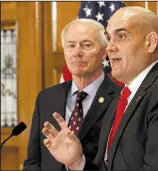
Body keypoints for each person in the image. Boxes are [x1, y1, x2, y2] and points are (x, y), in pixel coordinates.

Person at [42, 6, 158, 170]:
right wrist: (77, 163)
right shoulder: (118, 102)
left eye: (121, 36)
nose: (109, 47)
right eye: (109, 38)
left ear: (150, 42)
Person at [23, 19, 122, 171]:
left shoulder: (121, 98)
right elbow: (33, 161)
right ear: (64, 52)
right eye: (71, 45)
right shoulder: (46, 98)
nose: (77, 52)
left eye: (86, 45)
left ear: (103, 53)